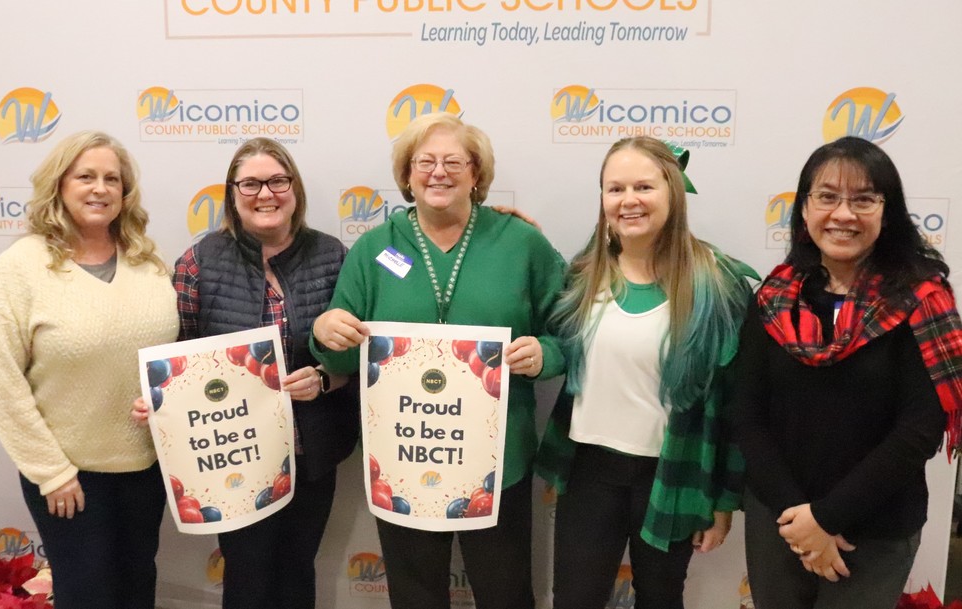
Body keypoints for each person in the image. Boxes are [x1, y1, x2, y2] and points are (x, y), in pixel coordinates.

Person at [310, 112, 566, 609]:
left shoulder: (522, 244)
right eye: (424, 162)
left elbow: (569, 335)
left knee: (506, 595)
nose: (438, 172)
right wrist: (325, 332)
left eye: (454, 161)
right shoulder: (375, 249)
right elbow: (339, 356)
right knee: (415, 597)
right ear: (407, 175)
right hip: (405, 457)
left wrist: (546, 354)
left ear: (476, 173)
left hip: (497, 461)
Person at [729, 136, 962, 609]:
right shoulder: (775, 297)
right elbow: (746, 414)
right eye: (827, 197)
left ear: (887, 211)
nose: (843, 214)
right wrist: (799, 520)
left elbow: (919, 430)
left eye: (863, 200)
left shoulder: (921, 300)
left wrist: (826, 519)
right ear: (804, 208)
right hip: (780, 521)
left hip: (876, 530)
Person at [537, 136, 755, 609]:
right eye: (615, 189)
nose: (628, 200)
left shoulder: (717, 284)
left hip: (671, 471)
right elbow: (554, 346)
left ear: (672, 191)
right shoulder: (584, 275)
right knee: (574, 598)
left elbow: (737, 405)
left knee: (660, 597)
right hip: (590, 469)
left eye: (644, 186)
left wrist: (722, 502)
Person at [148, 137, 358, 609]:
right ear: (232, 193)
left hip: (311, 450)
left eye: (278, 181)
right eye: (251, 184)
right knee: (247, 573)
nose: (266, 194)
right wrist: (158, 397)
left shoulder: (332, 256)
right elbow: (177, 356)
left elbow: (357, 358)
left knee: (298, 568)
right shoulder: (199, 262)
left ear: (295, 189)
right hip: (232, 455)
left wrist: (324, 378)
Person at [0, 131, 179, 608]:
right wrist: (51, 472)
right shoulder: (21, 268)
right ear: (59, 185)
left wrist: (167, 395)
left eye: (112, 179)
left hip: (145, 468)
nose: (100, 188)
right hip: (70, 478)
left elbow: (173, 355)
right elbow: (1, 381)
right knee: (87, 595)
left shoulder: (147, 260)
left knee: (137, 588)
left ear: (125, 192)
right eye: (86, 176)